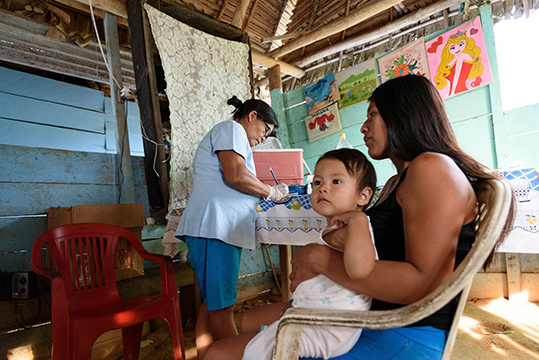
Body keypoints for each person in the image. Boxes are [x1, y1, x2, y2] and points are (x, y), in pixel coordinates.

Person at [203, 75, 513, 360]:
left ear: (403, 115)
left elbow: (424, 284)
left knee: (217, 355)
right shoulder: (398, 181)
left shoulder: (431, 169)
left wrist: (319, 259)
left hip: (401, 330)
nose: (364, 127)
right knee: (247, 320)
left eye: (373, 114)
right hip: (372, 310)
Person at [175, 96, 289, 359]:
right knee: (222, 309)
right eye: (266, 130)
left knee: (210, 305)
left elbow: (241, 175)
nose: (264, 138)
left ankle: (208, 356)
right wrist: (271, 191)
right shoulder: (232, 129)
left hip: (213, 228)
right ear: (252, 116)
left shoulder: (236, 139)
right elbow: (236, 175)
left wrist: (263, 190)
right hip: (215, 228)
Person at [242, 148, 378, 360]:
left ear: (363, 195)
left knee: (253, 353)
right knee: (255, 343)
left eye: (336, 182)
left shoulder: (353, 228)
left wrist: (358, 220)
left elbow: (360, 270)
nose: (323, 188)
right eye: (317, 182)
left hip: (329, 328)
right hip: (316, 318)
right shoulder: (337, 229)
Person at [434, 29, 484, 97]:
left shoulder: (463, 55)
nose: (457, 49)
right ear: (448, 49)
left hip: (457, 91)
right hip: (452, 93)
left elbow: (457, 74)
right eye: (453, 48)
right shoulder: (451, 61)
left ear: (467, 43)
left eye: (460, 45)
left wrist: (452, 93)